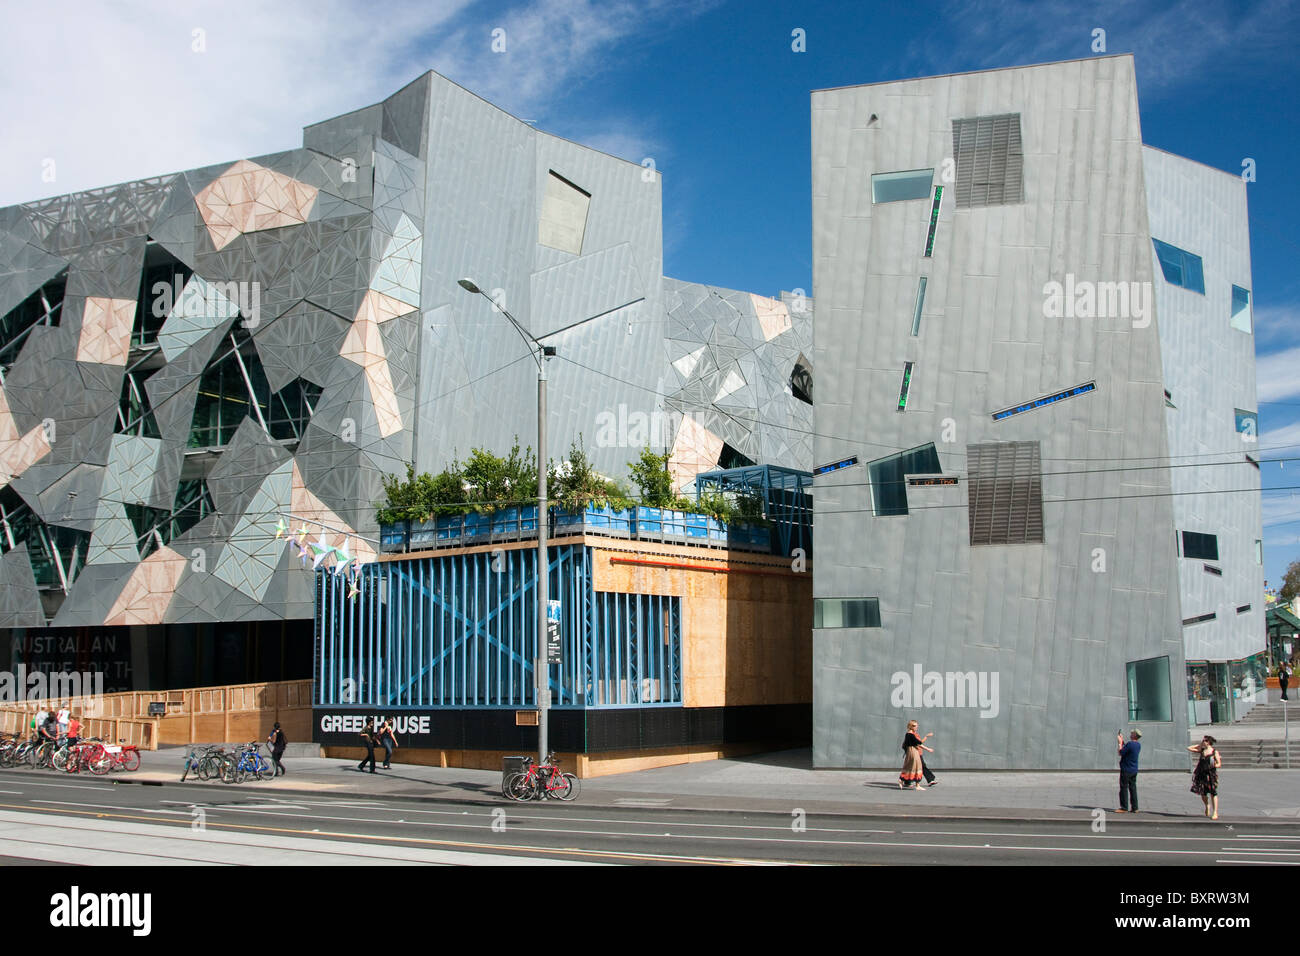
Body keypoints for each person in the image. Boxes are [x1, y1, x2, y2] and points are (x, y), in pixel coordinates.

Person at [1188, 735, 1222, 819]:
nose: (1204, 742)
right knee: (1203, 793)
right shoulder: (1202, 750)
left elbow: (1219, 763)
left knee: (1213, 793)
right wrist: (1200, 745)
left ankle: (1215, 812)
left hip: (1210, 775)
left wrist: (1213, 765)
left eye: (1205, 741)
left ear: (1209, 742)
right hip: (1202, 774)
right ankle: (1207, 805)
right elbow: (1189, 748)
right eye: (1203, 740)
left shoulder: (1214, 752)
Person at [899, 720, 932, 790]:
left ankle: (902, 780)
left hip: (910, 752)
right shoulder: (911, 735)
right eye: (914, 726)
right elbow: (919, 743)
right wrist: (928, 748)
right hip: (914, 752)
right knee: (917, 767)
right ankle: (916, 785)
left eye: (916, 725)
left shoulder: (908, 734)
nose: (916, 727)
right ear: (910, 726)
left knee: (911, 767)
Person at [1116, 729, 1141, 813]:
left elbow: (1121, 752)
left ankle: (1124, 807)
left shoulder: (1130, 744)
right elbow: (1127, 749)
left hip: (1126, 769)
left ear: (1134, 735)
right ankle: (1135, 807)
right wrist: (1122, 741)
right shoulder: (1137, 745)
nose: (1131, 733)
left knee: (1123, 788)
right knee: (1133, 788)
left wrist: (1119, 743)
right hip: (1134, 769)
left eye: (1132, 733)